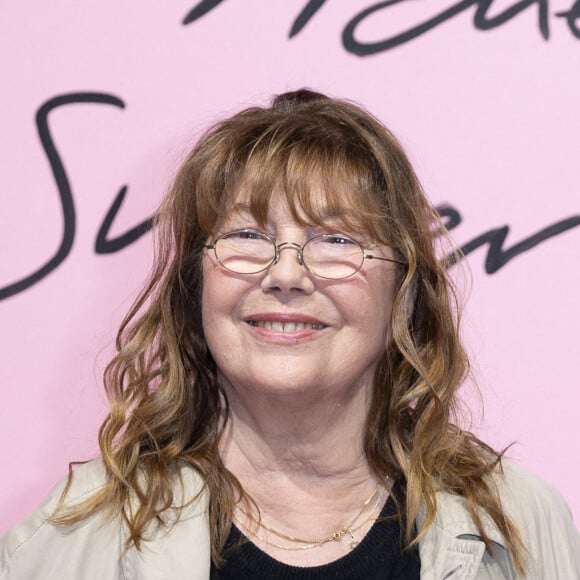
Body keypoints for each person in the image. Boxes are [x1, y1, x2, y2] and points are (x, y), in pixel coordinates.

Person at [1, 89, 579, 579]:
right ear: (195, 288)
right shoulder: (75, 540)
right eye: (247, 235)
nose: (284, 275)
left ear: (403, 291)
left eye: (336, 240)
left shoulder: (518, 522)